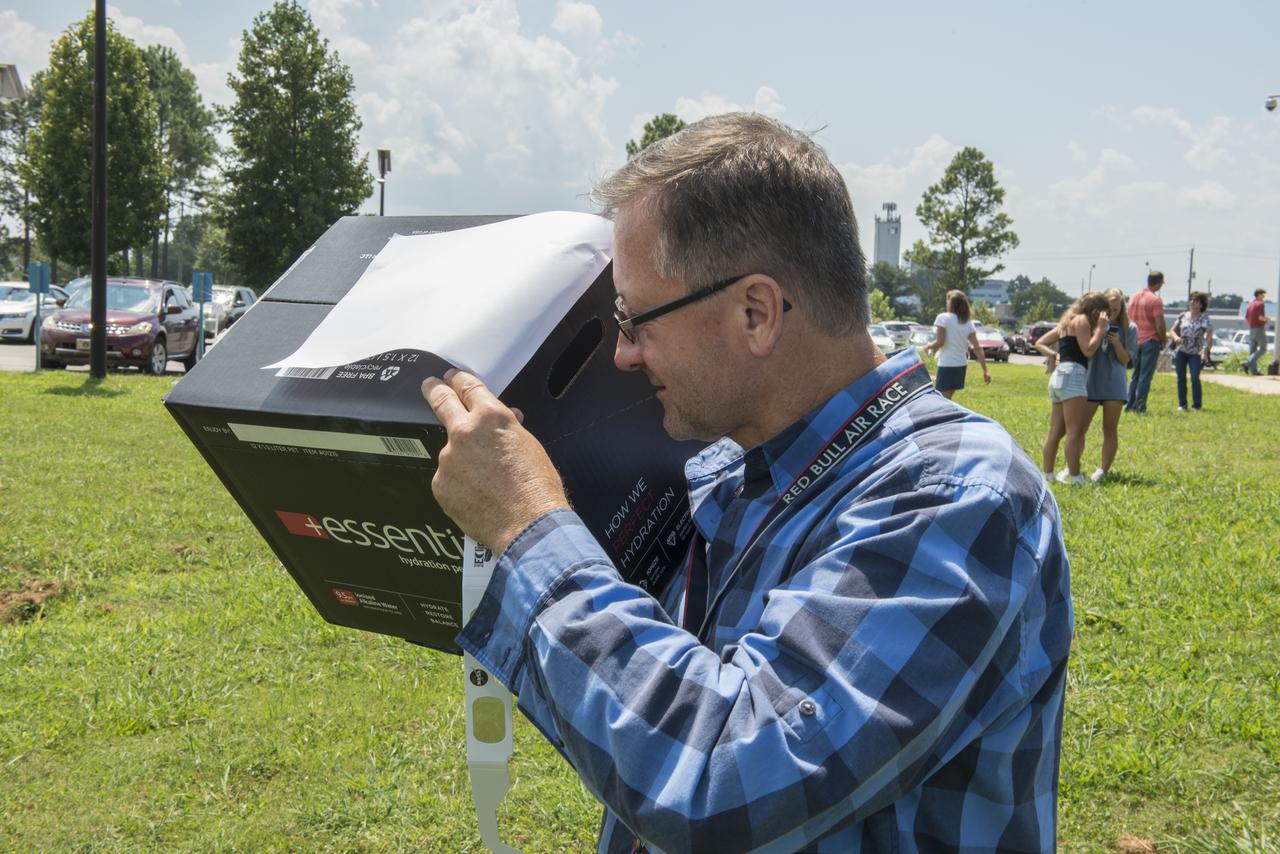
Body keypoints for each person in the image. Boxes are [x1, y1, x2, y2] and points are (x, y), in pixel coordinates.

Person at [420, 113, 1071, 852]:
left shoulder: (956, 492)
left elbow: (721, 783)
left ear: (756, 313)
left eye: (635, 321)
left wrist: (528, 529)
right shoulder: (726, 472)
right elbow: (652, 693)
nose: (625, 355)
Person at [1035, 292, 1111, 484]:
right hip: (1074, 375)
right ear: (1095, 311)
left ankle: (1047, 474)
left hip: (1058, 375)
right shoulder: (1083, 320)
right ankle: (1075, 476)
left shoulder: (1067, 322)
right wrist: (1100, 330)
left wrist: (1054, 354)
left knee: (1055, 431)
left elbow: (1040, 342)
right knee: (1074, 432)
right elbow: (1088, 350)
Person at [1084, 288, 1136, 482]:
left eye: (1116, 309)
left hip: (1115, 384)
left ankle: (1102, 470)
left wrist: (1116, 343)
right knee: (1081, 428)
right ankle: (1073, 466)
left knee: (1110, 428)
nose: (1112, 312)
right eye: (1109, 308)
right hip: (1092, 381)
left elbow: (1125, 360)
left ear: (1122, 308)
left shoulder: (1129, 328)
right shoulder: (1091, 324)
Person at [921, 289, 990, 399]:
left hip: (947, 364)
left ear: (951, 303)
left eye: (947, 300)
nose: (946, 302)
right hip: (961, 365)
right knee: (947, 397)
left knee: (942, 399)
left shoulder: (943, 318)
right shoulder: (967, 322)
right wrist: (985, 370)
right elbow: (977, 348)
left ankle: (944, 416)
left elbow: (940, 342)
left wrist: (928, 346)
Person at [1125, 271, 1167, 413]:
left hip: (1135, 340)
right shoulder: (1155, 300)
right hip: (1150, 340)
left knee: (1135, 375)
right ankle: (1140, 406)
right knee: (1145, 376)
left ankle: (1129, 404)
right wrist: (1163, 339)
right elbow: (1159, 323)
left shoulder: (1133, 297)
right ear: (1159, 283)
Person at [1170, 291, 1212, 410]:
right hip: (1181, 351)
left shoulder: (1205, 318)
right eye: (1191, 299)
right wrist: (1176, 337)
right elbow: (1172, 331)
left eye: (1196, 300)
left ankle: (1196, 405)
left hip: (1196, 352)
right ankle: (1182, 404)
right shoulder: (1182, 316)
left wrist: (1206, 349)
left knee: (1194, 377)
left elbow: (1209, 335)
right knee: (1181, 378)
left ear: (1201, 304)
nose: (1192, 302)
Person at [1243, 288, 1271, 376]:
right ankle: (1247, 363)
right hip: (1259, 329)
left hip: (1251, 329)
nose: (1264, 296)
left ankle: (1254, 371)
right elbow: (1260, 317)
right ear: (1259, 294)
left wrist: (1252, 326)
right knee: (1263, 349)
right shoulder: (1260, 304)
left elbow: (1246, 319)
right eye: (1263, 294)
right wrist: (1267, 319)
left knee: (1252, 351)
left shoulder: (1250, 305)